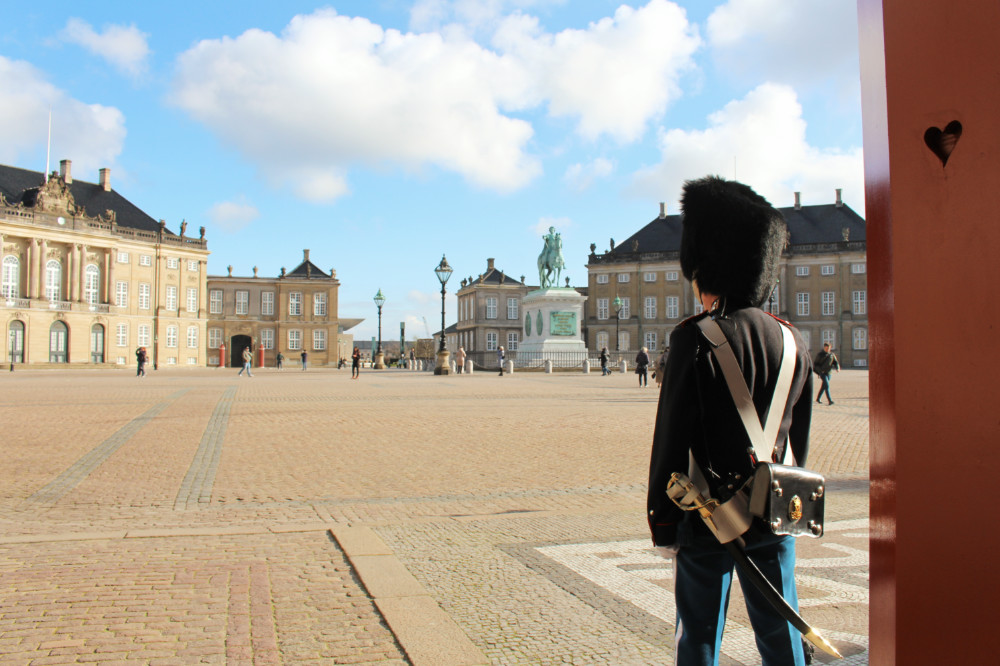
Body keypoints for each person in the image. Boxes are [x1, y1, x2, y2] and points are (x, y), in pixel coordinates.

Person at [647, 176, 814, 666]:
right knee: (783, 637)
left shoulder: (695, 339)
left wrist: (663, 522)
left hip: (708, 518)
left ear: (706, 275)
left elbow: (670, 440)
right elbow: (799, 439)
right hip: (777, 507)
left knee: (698, 637)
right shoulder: (793, 341)